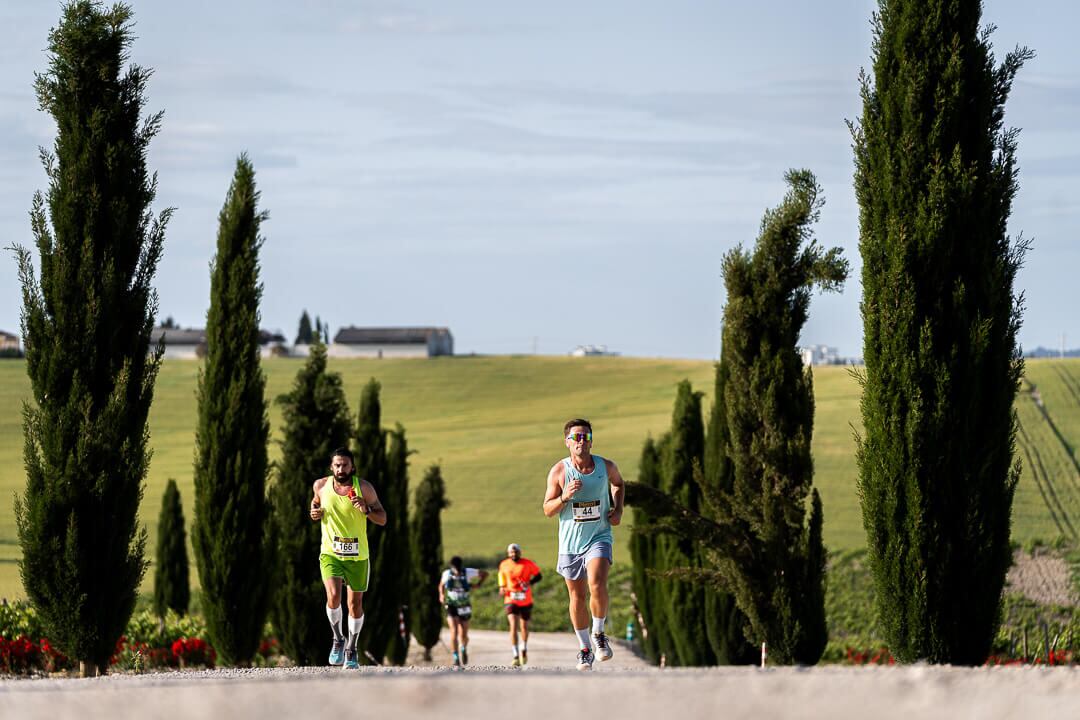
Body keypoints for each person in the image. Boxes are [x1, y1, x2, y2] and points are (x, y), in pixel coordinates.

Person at [542, 418, 624, 671]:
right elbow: (547, 509)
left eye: (585, 436)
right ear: (567, 442)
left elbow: (619, 484)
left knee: (596, 582)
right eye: (576, 437)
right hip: (570, 543)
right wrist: (565, 496)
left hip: (599, 536)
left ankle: (599, 634)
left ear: (591, 441)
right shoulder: (559, 471)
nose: (581, 441)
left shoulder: (605, 466)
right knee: (576, 596)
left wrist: (618, 509)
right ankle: (585, 648)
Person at [309, 446, 387, 670]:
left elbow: (383, 518)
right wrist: (314, 511)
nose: (340, 469)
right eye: (337, 465)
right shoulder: (321, 485)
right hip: (330, 553)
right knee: (333, 596)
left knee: (354, 604)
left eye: (345, 465)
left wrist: (367, 510)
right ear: (331, 467)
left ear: (352, 467)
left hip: (357, 556)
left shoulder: (364, 488)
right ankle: (338, 638)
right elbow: (316, 502)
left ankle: (352, 648)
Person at [497, 543, 542, 666]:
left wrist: (529, 583)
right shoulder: (504, 564)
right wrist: (501, 587)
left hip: (526, 599)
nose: (514, 554)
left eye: (516, 552)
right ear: (508, 553)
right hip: (510, 599)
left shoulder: (527, 563)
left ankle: (524, 648)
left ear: (520, 552)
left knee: (524, 627)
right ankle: (515, 655)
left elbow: (539, 576)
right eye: (511, 552)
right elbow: (501, 577)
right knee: (513, 626)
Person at [438, 556, 488, 666]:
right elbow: (441, 585)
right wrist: (441, 595)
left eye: (459, 570)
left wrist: (478, 584)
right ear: (451, 567)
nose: (457, 572)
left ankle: (463, 648)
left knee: (464, 634)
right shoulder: (446, 574)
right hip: (451, 605)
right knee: (454, 631)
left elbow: (485, 574)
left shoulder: (468, 572)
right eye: (455, 570)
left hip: (464, 605)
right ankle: (456, 657)